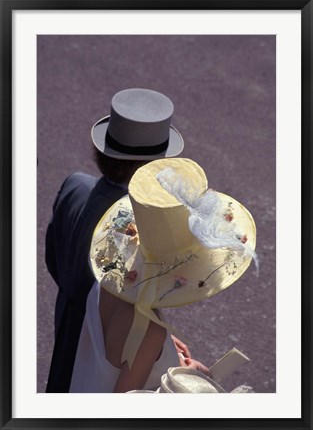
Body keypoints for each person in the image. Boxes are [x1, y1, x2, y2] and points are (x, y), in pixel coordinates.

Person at [69, 157, 257, 393]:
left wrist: (165, 353)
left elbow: (114, 352)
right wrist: (184, 383)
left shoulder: (110, 280)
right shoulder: (149, 332)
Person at [45, 88, 185, 393]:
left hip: (69, 315)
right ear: (154, 166)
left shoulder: (75, 185)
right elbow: (132, 295)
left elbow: (53, 258)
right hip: (105, 342)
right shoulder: (136, 225)